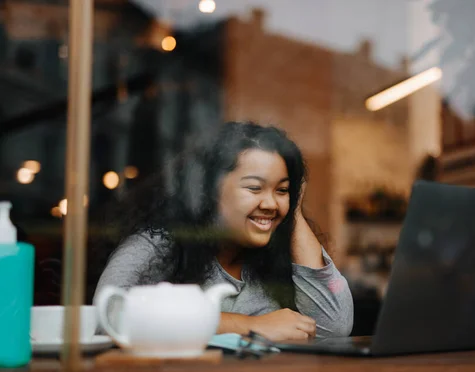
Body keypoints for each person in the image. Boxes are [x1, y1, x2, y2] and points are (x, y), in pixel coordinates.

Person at [94, 121, 353, 340]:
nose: (271, 204)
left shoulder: (276, 256)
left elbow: (334, 328)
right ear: (208, 191)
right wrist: (249, 326)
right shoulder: (157, 244)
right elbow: (108, 320)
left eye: (282, 190)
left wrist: (293, 210)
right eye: (254, 188)